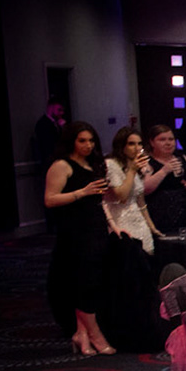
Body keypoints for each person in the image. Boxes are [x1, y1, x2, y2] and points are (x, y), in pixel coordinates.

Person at [44, 123, 114, 354]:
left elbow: (100, 201)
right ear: (71, 141)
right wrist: (82, 192)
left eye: (91, 140)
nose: (88, 145)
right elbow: (50, 199)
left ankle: (81, 334)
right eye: (82, 140)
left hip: (95, 227)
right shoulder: (62, 165)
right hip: (75, 231)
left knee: (93, 281)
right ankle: (95, 334)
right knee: (84, 282)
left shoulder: (92, 164)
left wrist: (111, 224)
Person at [100, 125, 165, 353]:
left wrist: (152, 227)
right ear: (121, 145)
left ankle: (149, 330)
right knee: (131, 282)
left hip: (139, 223)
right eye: (131, 144)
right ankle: (131, 333)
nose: (136, 148)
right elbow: (120, 195)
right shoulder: (111, 165)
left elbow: (140, 200)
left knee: (147, 281)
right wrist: (131, 170)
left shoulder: (136, 166)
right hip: (121, 226)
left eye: (139, 144)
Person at [142, 123, 186, 232]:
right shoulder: (147, 162)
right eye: (162, 140)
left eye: (171, 139)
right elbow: (145, 189)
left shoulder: (182, 157)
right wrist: (164, 171)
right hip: (162, 214)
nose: (168, 143)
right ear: (152, 142)